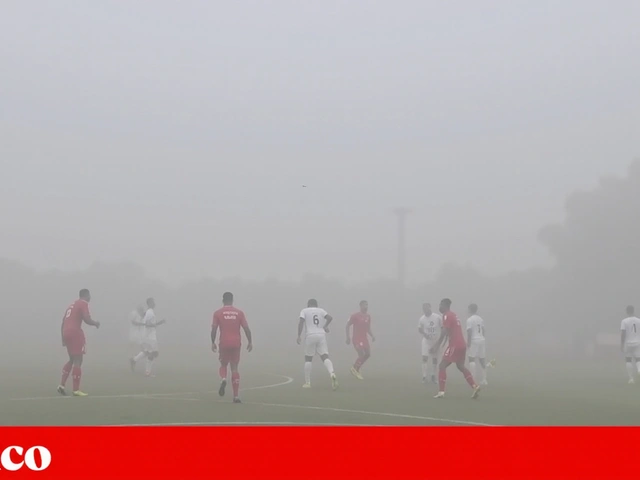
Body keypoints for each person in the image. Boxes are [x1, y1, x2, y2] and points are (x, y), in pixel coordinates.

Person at [430, 298, 480, 399]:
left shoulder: (446, 315)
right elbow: (450, 331)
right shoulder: (454, 315)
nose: (439, 307)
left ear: (445, 306)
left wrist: (436, 345)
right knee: (461, 366)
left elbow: (445, 331)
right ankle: (475, 386)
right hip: (461, 344)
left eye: (441, 305)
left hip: (455, 344)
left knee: (442, 365)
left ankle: (441, 392)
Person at [57, 289, 100, 396]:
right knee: (78, 360)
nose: (90, 298)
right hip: (75, 332)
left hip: (66, 332)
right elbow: (86, 318)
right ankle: (76, 390)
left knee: (71, 359)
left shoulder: (72, 305)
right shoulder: (83, 303)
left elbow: (63, 322)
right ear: (86, 295)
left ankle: (61, 385)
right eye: (89, 295)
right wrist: (95, 323)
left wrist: (63, 337)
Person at [212, 292, 253, 403]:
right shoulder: (239, 313)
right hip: (236, 343)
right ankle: (236, 396)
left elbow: (214, 329)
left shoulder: (218, 313)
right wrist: (250, 341)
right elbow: (246, 328)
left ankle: (224, 378)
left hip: (224, 342)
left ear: (223, 300)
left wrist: (213, 342)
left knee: (223, 364)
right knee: (234, 367)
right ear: (232, 300)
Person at [297, 299, 338, 390]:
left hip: (310, 335)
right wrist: (325, 326)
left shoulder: (304, 310)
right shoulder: (321, 310)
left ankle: (307, 382)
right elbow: (330, 318)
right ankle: (332, 373)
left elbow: (301, 322)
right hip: (321, 335)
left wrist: (299, 335)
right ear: (316, 305)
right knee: (325, 356)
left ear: (308, 304)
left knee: (308, 358)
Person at [133, 298, 166, 377]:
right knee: (153, 353)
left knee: (148, 352)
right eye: (153, 302)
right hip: (150, 337)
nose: (154, 303)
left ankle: (134, 360)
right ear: (150, 303)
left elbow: (150, 324)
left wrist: (159, 322)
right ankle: (147, 372)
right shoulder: (149, 312)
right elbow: (147, 324)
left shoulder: (149, 312)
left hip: (149, 336)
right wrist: (158, 324)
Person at [346, 300, 376, 380]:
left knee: (368, 354)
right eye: (364, 305)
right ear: (361, 306)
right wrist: (347, 337)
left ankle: (357, 369)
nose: (366, 306)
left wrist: (372, 335)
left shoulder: (368, 316)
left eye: (367, 305)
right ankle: (354, 368)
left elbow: (368, 328)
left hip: (364, 338)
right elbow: (347, 325)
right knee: (361, 354)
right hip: (357, 338)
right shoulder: (355, 316)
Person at [418, 303, 442, 384]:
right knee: (425, 357)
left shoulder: (437, 317)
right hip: (426, 341)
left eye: (427, 308)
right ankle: (424, 377)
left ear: (430, 308)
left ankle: (433, 375)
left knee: (435, 358)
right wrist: (425, 334)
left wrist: (440, 338)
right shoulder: (422, 319)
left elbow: (442, 327)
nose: (425, 310)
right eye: (424, 309)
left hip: (435, 341)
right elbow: (420, 329)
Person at [466, 304, 489, 386]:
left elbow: (469, 332)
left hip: (474, 340)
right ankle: (484, 379)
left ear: (470, 310)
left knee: (471, 359)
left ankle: (473, 379)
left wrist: (468, 342)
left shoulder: (469, 320)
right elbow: (483, 330)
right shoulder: (480, 319)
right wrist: (482, 338)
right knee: (482, 359)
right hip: (481, 339)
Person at [620, 305, 640, 384]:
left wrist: (622, 344)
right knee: (638, 359)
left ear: (627, 311)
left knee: (628, 360)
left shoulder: (624, 321)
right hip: (638, 342)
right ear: (633, 311)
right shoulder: (639, 320)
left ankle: (631, 379)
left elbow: (623, 333)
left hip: (628, 343)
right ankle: (639, 370)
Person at [128, 305, 146, 370]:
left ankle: (133, 360)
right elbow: (133, 322)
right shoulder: (134, 313)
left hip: (138, 334)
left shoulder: (140, 315)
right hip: (135, 335)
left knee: (143, 350)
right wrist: (142, 324)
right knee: (145, 350)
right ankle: (133, 360)